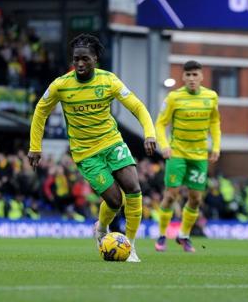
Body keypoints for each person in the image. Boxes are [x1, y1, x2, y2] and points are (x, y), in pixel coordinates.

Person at [27, 33, 156, 263]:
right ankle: (101, 228)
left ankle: (131, 246)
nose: (79, 64)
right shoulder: (61, 85)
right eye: (76, 59)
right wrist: (35, 147)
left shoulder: (109, 81)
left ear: (95, 58)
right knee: (116, 201)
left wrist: (149, 133)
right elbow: (40, 111)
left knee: (134, 188)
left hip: (112, 142)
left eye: (85, 59)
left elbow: (136, 106)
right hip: (86, 154)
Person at [154, 60, 220, 253]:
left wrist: (216, 146)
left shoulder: (211, 97)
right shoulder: (174, 97)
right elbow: (160, 123)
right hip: (178, 154)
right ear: (183, 77)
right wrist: (164, 146)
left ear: (201, 76)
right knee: (171, 195)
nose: (192, 79)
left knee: (196, 199)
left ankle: (184, 235)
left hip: (199, 156)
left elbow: (215, 122)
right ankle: (162, 234)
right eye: (188, 75)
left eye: (195, 75)